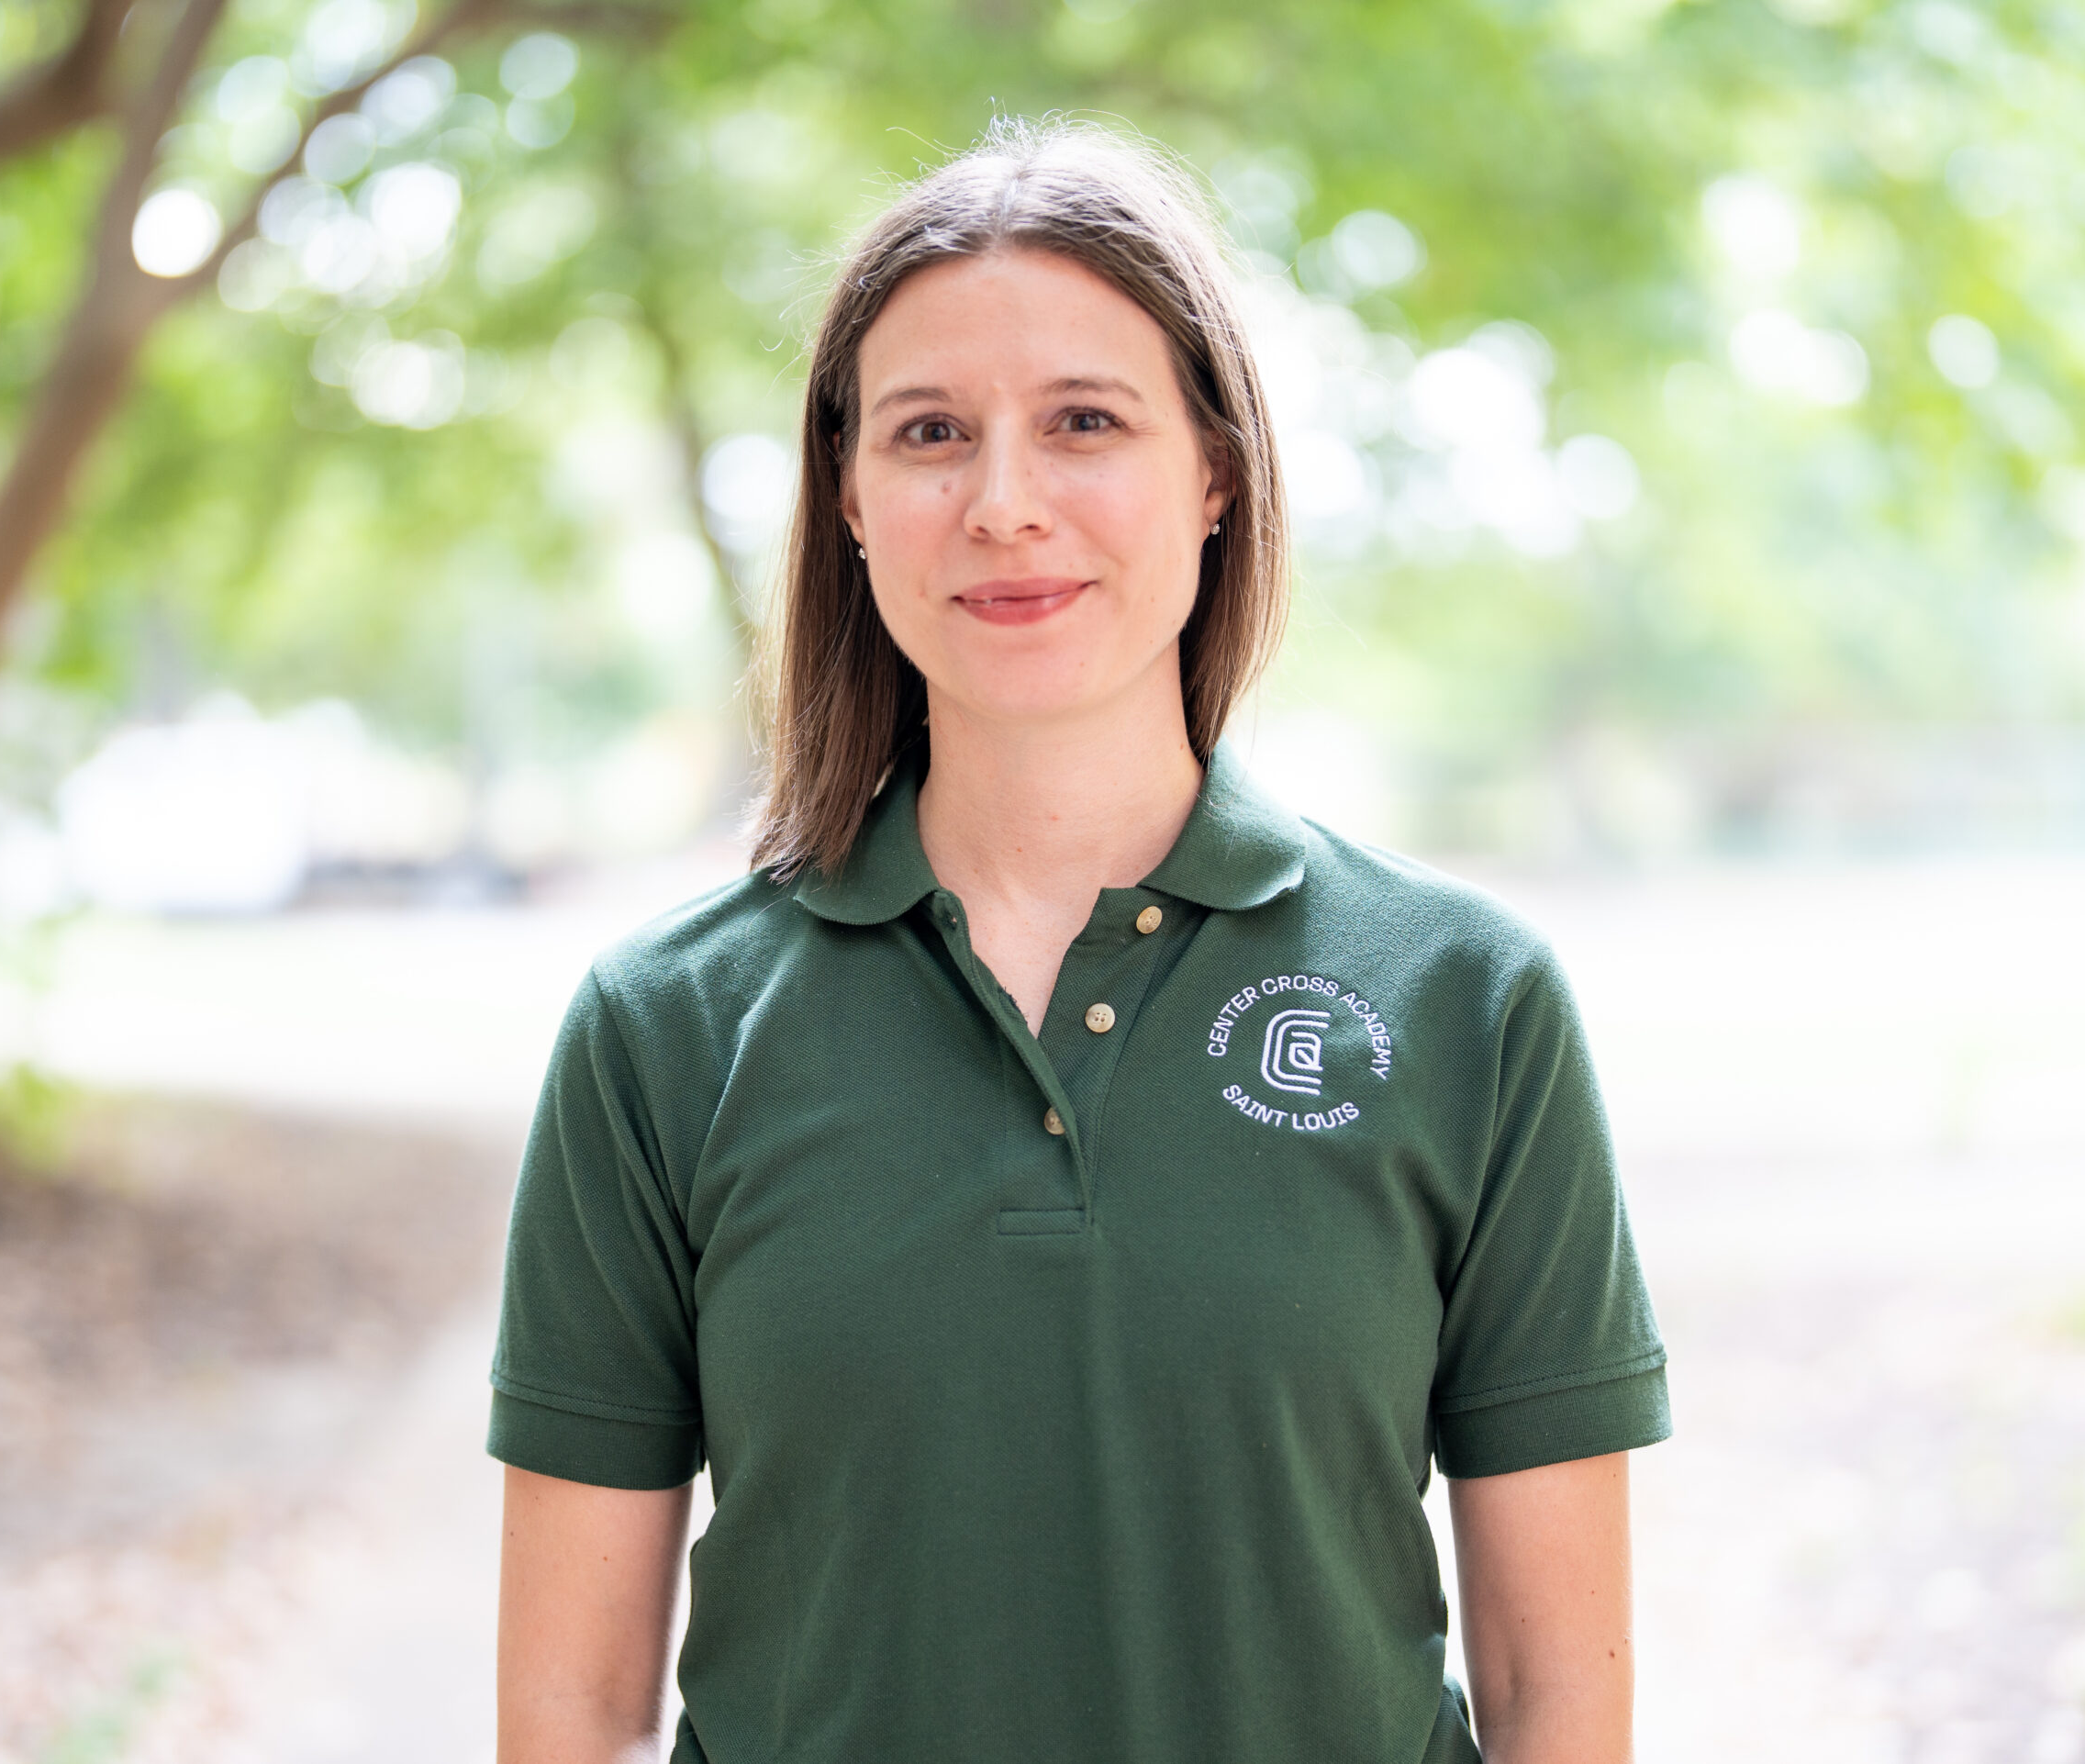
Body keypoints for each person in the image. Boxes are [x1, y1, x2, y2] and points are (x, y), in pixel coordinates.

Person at [490, 118, 1668, 1764]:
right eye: (928, 434)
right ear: (847, 497)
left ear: (1213, 473)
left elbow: (1562, 1695)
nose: (1003, 504)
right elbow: (570, 1708)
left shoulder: (1468, 1001)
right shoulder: (663, 1027)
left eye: (1084, 423)